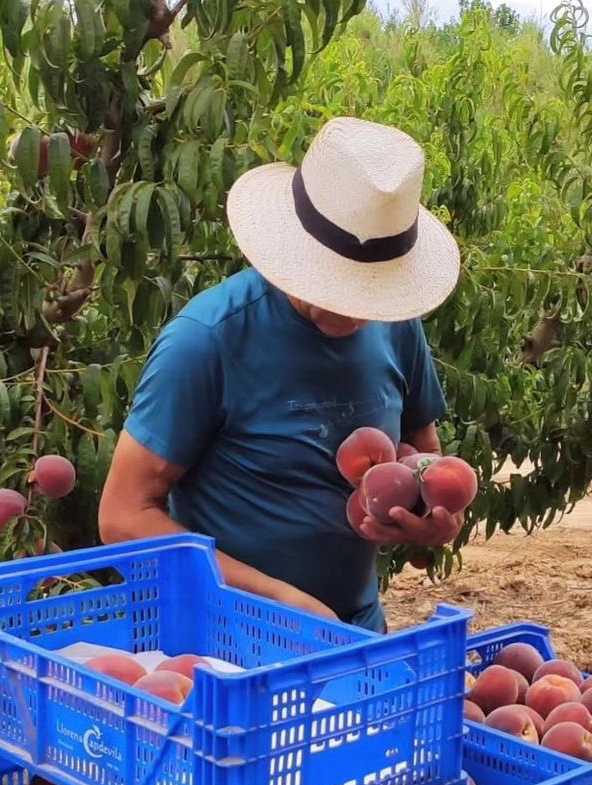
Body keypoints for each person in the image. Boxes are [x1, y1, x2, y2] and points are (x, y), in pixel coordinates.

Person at [98, 116, 463, 632]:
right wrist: (271, 598)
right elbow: (122, 516)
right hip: (223, 645)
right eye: (338, 282)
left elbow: (422, 454)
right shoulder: (208, 339)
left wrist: (426, 520)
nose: (356, 309)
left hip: (352, 635)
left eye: (372, 288)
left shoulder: (396, 325)